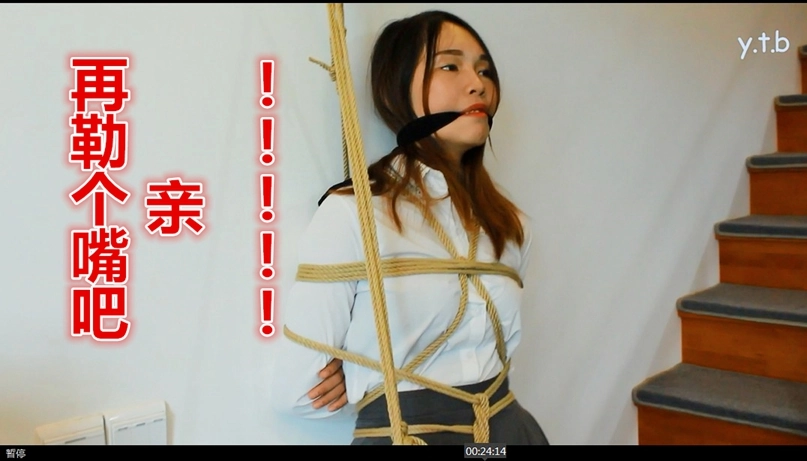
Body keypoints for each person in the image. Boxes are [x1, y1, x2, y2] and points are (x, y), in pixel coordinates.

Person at [270, 10, 549, 445]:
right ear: (398, 87)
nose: (477, 84)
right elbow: (299, 391)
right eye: (450, 66)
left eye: (484, 71)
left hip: (505, 437)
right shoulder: (354, 215)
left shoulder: (510, 225)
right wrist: (363, 373)